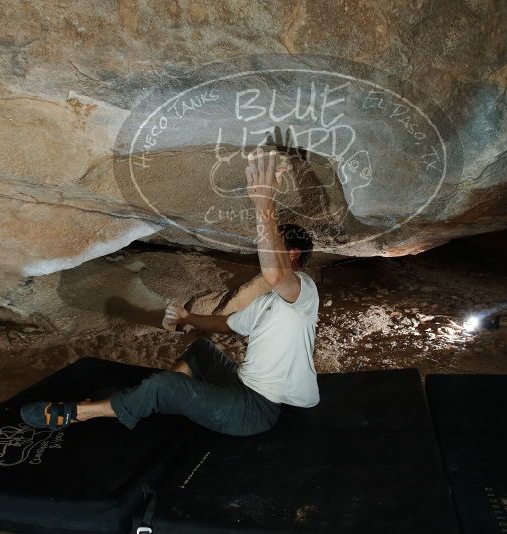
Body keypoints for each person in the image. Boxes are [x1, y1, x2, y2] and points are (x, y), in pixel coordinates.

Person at [20, 147, 319, 436]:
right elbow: (226, 324)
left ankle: (78, 413)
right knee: (202, 351)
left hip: (254, 410)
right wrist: (189, 317)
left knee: (165, 386)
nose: (261, 246)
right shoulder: (268, 301)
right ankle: (159, 397)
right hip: (242, 385)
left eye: (273, 242)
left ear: (291, 254)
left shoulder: (303, 292)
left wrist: (264, 203)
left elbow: (275, 272)